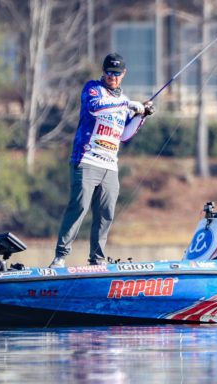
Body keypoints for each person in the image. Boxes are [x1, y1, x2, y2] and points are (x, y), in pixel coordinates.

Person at [49, 53, 154, 268]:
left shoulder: (123, 103)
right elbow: (95, 107)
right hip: (86, 160)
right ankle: (60, 256)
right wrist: (130, 104)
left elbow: (124, 135)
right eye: (108, 72)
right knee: (79, 206)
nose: (112, 77)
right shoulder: (93, 89)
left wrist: (141, 116)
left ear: (123, 74)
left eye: (116, 73)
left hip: (109, 166)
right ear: (103, 72)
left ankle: (96, 260)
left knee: (106, 214)